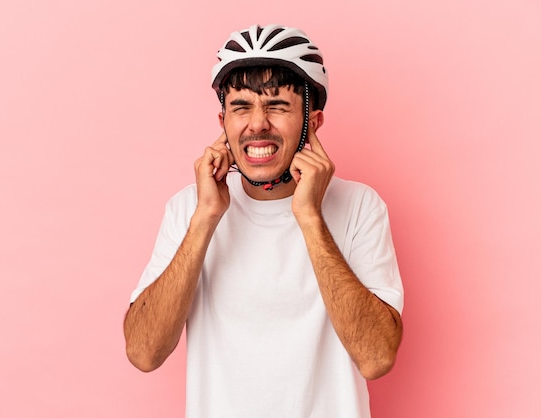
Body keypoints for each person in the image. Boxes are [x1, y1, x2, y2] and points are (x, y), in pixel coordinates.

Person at [123, 24, 404, 417]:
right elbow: (143, 353)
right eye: (241, 107)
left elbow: (376, 358)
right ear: (222, 122)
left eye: (277, 105)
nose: (257, 124)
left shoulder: (360, 206)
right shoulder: (189, 209)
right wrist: (206, 217)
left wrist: (309, 215)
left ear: (313, 123)